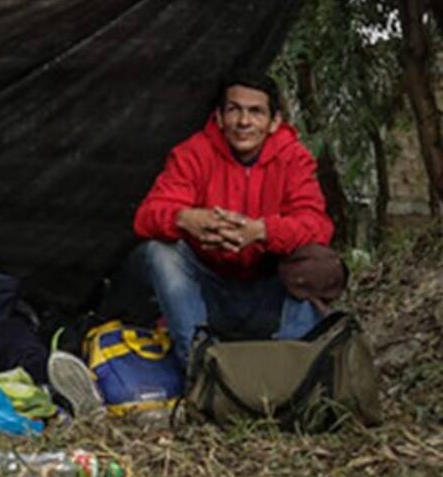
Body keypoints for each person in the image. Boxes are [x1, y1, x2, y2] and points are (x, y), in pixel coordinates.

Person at [133, 75, 337, 367]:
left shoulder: (293, 158)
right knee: (160, 252)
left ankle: (289, 368)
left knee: (317, 261)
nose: (244, 121)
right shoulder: (193, 153)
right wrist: (184, 218)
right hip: (209, 292)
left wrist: (262, 231)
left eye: (256, 112)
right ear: (218, 117)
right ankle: (200, 367)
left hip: (269, 292)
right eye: (234, 110)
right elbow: (147, 215)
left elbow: (317, 225)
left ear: (274, 122)